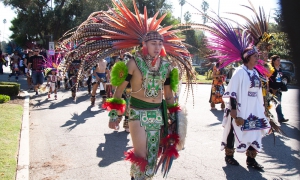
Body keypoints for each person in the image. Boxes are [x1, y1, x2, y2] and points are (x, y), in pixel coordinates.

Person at [269, 55, 289, 123]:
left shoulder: (280, 69)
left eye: (279, 60)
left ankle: (280, 118)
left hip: (278, 89)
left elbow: (280, 78)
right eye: (278, 60)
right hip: (271, 89)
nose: (279, 61)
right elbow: (268, 79)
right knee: (267, 104)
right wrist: (270, 88)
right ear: (274, 61)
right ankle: (266, 118)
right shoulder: (271, 69)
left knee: (278, 104)